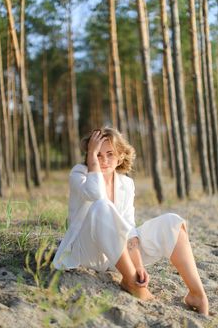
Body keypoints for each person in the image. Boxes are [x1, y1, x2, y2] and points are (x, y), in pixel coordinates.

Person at [53, 127, 209, 315]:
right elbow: (95, 194)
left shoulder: (126, 184)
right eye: (97, 154)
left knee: (172, 223)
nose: (103, 160)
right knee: (101, 206)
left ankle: (196, 294)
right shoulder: (79, 174)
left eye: (110, 154)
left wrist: (139, 265)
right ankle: (133, 284)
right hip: (86, 253)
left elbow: (129, 228)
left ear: (120, 156)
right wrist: (92, 160)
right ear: (89, 156)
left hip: (117, 258)